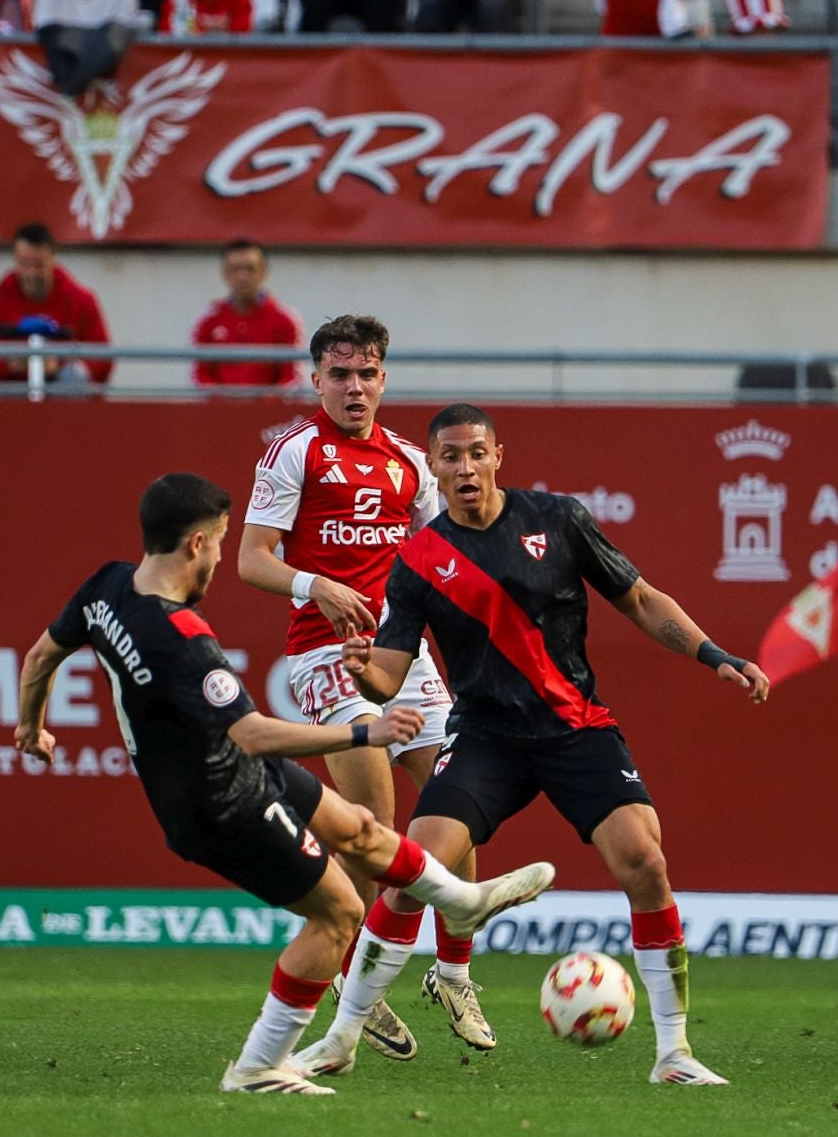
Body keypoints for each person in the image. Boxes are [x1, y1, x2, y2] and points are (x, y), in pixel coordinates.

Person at [13, 472, 553, 1094]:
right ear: (195, 545)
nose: (220, 555)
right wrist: (363, 735)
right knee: (339, 914)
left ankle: (459, 900)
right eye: (218, 542)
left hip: (233, 770)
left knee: (360, 829)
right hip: (216, 802)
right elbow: (254, 735)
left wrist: (31, 728)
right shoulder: (185, 639)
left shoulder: (106, 586)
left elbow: (38, 659)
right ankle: (258, 1066)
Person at [291, 403, 770, 1086]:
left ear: (497, 456)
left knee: (645, 862)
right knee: (411, 874)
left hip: (576, 727)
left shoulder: (559, 519)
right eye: (450, 457)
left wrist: (713, 654)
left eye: (476, 453)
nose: (464, 467)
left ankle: (674, 1054)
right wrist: (363, 669)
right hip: (486, 737)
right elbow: (388, 677)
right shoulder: (418, 561)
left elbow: (640, 599)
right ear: (433, 467)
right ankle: (340, 1039)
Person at [238, 316, 498, 1060]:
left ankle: (453, 974)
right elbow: (252, 561)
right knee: (376, 834)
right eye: (341, 373)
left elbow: (442, 559)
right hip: (324, 653)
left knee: (458, 811)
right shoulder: (295, 452)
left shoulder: (411, 464)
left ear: (384, 380)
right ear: (314, 378)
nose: (356, 386)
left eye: (369, 373)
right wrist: (313, 583)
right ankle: (352, 984)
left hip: (404, 656)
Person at [0, 223, 115, 387]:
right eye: (25, 264)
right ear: (14, 260)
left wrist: (59, 364)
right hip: (11, 401)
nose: (31, 273)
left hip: (63, 403)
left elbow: (103, 364)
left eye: (39, 265)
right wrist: (14, 363)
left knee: (73, 377)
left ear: (53, 259)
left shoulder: (82, 300)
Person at [190, 239, 301, 389]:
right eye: (235, 269)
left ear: (263, 272)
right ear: (224, 273)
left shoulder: (285, 319)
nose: (242, 277)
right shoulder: (208, 320)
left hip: (269, 410)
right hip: (219, 410)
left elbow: (292, 376)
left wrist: (264, 405)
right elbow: (200, 374)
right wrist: (222, 403)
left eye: (250, 269)